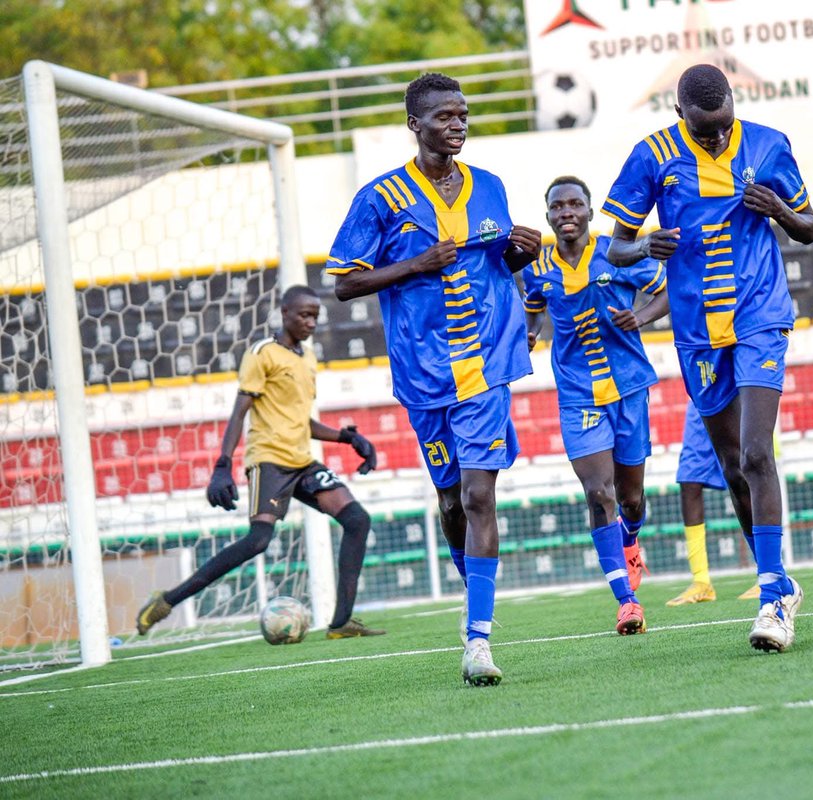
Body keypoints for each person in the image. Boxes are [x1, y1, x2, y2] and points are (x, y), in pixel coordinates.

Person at [326, 73, 541, 686]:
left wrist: (520, 255)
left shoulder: (491, 187)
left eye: (464, 114)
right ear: (416, 125)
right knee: (451, 500)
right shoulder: (380, 198)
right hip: (424, 374)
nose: (459, 124)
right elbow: (343, 284)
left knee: (479, 496)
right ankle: (469, 576)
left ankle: (478, 641)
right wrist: (415, 263)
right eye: (446, 116)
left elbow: (499, 260)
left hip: (487, 366)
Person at [602, 64, 813, 653]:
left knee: (755, 452)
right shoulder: (651, 157)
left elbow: (809, 229)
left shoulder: (770, 144)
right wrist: (646, 244)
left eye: (724, 127)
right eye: (705, 132)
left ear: (732, 106)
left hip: (759, 315)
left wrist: (778, 208)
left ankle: (773, 597)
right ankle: (779, 580)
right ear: (680, 116)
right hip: (697, 330)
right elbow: (617, 247)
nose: (718, 139)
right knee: (729, 465)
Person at [136, 285, 383, 641]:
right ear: (284, 313)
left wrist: (348, 438)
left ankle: (341, 623)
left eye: (316, 315)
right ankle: (166, 601)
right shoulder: (262, 354)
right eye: (304, 315)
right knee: (258, 541)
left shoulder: (306, 358)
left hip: (302, 462)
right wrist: (223, 464)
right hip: (269, 461)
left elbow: (303, 421)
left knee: (357, 519)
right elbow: (240, 411)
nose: (311, 322)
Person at [524, 176, 669, 634]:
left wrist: (641, 316)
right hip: (577, 396)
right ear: (547, 216)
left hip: (628, 389)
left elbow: (670, 291)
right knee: (599, 493)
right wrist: (529, 333)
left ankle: (631, 542)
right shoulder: (537, 267)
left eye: (575, 204)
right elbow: (533, 306)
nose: (566, 212)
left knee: (630, 497)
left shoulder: (617, 253)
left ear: (588, 211)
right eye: (557, 207)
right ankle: (627, 602)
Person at [667, 401, 761, 605]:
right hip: (700, 393)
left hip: (735, 390)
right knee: (689, 479)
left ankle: (768, 573)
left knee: (740, 477)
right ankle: (701, 582)